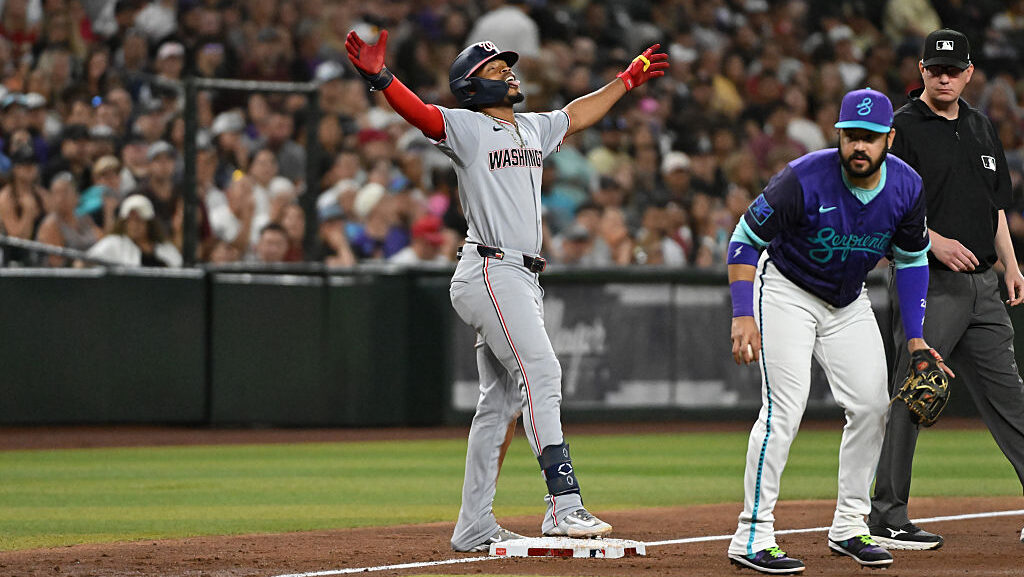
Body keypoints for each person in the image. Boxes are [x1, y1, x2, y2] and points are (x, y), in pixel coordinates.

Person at [345, 30, 667, 552]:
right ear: (471, 87)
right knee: (541, 372)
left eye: (507, 67)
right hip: (491, 269)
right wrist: (382, 79)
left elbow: (578, 113)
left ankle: (474, 524)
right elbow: (423, 115)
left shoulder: (533, 128)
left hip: (520, 276)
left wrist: (626, 81)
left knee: (499, 405)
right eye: (496, 69)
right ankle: (564, 505)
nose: (508, 73)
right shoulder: (468, 127)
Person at [725, 88, 951, 574]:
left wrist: (916, 336)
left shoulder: (906, 187)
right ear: (840, 136)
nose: (860, 147)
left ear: (889, 137)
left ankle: (850, 526)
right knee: (785, 408)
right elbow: (744, 241)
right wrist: (743, 312)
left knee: (872, 406)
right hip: (787, 290)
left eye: (870, 137)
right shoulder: (803, 178)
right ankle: (752, 535)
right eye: (852, 136)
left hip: (848, 301)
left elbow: (912, 261)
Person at [869, 29, 1024, 550]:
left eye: (953, 69)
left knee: (1012, 400)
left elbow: (995, 205)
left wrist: (1011, 264)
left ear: (968, 73)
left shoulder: (981, 127)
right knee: (915, 394)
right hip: (928, 281)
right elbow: (879, 201)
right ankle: (887, 514)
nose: (943, 76)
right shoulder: (901, 127)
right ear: (921, 71)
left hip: (984, 286)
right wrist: (931, 240)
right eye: (935, 68)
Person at [86, 194, 182, 267]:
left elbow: (177, 268)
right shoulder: (114, 244)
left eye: (139, 220)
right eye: (129, 220)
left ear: (149, 223)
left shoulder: (166, 249)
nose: (134, 225)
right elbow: (85, 262)